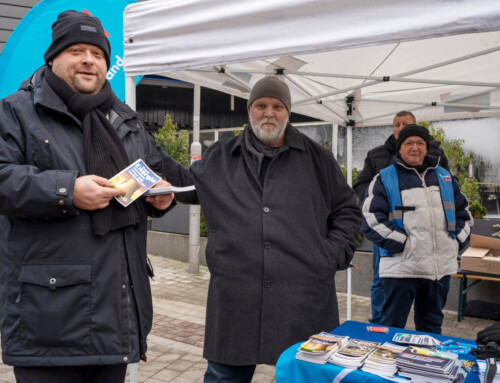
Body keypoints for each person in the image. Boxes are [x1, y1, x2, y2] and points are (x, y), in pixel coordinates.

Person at [0, 10, 174, 383]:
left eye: (97, 54)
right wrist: (67, 191)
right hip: (49, 321)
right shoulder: (16, 111)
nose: (88, 60)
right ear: (53, 58)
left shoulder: (125, 120)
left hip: (117, 316)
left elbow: (156, 173)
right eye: (76, 50)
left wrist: (160, 197)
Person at [159, 76, 362, 382]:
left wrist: (331, 254)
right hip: (237, 299)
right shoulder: (221, 157)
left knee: (305, 375)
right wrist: (146, 153)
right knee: (224, 377)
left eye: (277, 106)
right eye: (261, 105)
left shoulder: (317, 159)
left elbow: (347, 210)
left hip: (303, 298)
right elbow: (186, 185)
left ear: (288, 112)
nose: (269, 113)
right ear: (249, 111)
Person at [361, 124, 472, 334]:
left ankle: (427, 367)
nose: (415, 148)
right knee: (391, 329)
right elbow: (370, 219)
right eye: (409, 143)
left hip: (438, 271)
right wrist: (403, 244)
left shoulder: (444, 177)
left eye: (420, 143)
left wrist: (456, 242)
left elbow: (464, 214)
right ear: (400, 148)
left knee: (431, 331)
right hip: (401, 269)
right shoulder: (384, 178)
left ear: (426, 147)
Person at [353, 110, 449, 324]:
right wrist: (377, 202)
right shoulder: (377, 154)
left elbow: (449, 186)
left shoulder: (436, 154)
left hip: (428, 234)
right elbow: (360, 184)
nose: (399, 127)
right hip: (389, 224)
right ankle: (379, 320)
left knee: (428, 284)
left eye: (404, 124)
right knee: (381, 277)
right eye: (396, 124)